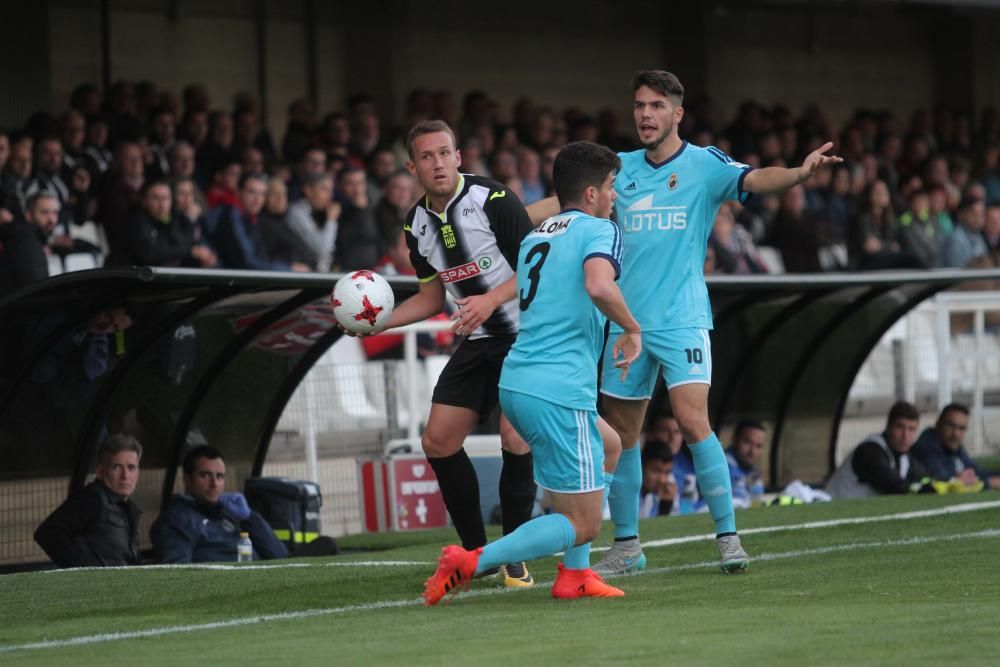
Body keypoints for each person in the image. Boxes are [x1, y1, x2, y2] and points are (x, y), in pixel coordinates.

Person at [528, 70, 842, 575]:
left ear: (677, 114)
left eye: (656, 106)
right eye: (638, 105)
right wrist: (502, 216)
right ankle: (627, 547)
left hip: (682, 319)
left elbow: (755, 178)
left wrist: (800, 174)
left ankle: (728, 538)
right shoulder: (618, 169)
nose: (645, 114)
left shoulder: (703, 165)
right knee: (625, 436)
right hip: (625, 323)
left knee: (693, 420)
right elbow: (562, 206)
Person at [423, 141, 641, 605]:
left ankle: (575, 576)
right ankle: (473, 561)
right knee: (583, 522)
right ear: (590, 194)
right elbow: (599, 285)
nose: (614, 196)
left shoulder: (537, 236)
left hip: (519, 380)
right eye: (611, 187)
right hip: (558, 388)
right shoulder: (601, 229)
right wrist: (631, 328)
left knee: (610, 444)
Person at [360, 120, 539, 589]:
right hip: (478, 342)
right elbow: (430, 299)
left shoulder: (494, 200)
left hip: (526, 335)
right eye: (426, 156)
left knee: (514, 436)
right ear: (412, 166)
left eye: (444, 153)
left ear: (458, 157)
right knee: (437, 441)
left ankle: (515, 555)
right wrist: (378, 321)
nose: (437, 163)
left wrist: (489, 300)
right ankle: (477, 554)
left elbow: (536, 269)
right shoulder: (414, 223)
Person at [151, 445, 288, 563]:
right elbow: (175, 575)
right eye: (205, 475)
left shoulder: (226, 514)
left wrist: (249, 517)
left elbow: (280, 556)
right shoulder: (177, 520)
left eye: (220, 476)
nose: (214, 484)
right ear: (187, 480)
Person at [34, 434, 143, 568]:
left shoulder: (130, 508)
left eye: (131, 467)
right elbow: (48, 533)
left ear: (138, 472)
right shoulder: (92, 499)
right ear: (100, 471)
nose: (125, 476)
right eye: (117, 467)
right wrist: (84, 574)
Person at [826, 401, 933, 499]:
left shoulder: (905, 458)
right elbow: (894, 485)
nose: (905, 435)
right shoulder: (870, 450)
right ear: (888, 427)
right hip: (832, 507)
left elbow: (925, 479)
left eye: (911, 429)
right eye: (900, 427)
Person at [911, 404, 1000, 491]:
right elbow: (943, 478)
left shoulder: (954, 446)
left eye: (961, 428)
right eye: (951, 426)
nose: (956, 434)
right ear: (938, 424)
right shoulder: (926, 446)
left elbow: (977, 471)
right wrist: (988, 482)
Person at [725, 420, 767, 509]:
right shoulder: (721, 466)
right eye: (748, 442)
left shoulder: (752, 472)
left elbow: (755, 506)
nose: (753, 452)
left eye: (758, 446)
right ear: (734, 440)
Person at [639, 439, 675, 518]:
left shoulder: (660, 496)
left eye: (667, 472)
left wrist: (665, 506)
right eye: (655, 471)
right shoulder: (625, 496)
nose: (662, 480)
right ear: (640, 467)